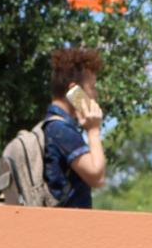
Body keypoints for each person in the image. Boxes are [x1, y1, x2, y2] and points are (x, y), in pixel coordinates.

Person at [44, 46, 107, 208]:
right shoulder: (61, 130)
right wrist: (93, 130)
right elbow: (97, 176)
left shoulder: (49, 126)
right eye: (92, 87)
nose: (95, 95)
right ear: (74, 90)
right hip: (69, 227)